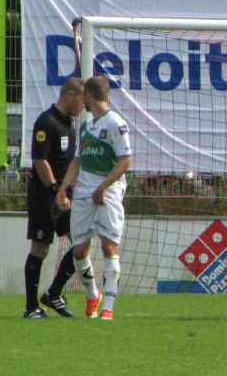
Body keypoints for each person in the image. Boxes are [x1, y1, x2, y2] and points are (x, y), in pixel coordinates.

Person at [55, 76, 131, 320]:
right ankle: (92, 295)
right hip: (83, 195)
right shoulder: (87, 126)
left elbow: (125, 160)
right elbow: (77, 161)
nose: (81, 102)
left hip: (107, 193)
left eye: (83, 96)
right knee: (78, 251)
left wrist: (102, 187)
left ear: (87, 94)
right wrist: (63, 189)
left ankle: (107, 307)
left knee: (109, 247)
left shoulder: (115, 123)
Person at [23, 77, 85, 319]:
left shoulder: (69, 124)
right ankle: (30, 308)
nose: (83, 105)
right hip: (45, 197)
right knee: (41, 248)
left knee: (80, 243)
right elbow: (40, 161)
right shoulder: (46, 122)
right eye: (81, 99)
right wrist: (53, 191)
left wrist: (68, 190)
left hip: (64, 197)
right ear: (69, 95)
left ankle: (53, 293)